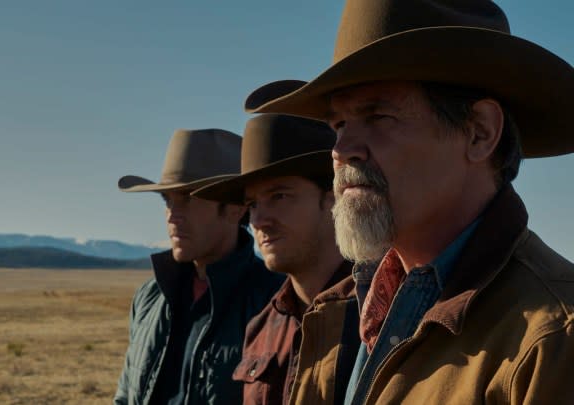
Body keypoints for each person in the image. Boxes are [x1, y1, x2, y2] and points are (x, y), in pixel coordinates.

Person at [245, 0, 574, 403]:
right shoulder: (340, 312)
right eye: (339, 124)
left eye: (379, 116)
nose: (342, 148)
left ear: (479, 133)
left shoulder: (554, 338)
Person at [193, 113, 358, 405]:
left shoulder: (380, 316)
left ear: (334, 197)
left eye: (279, 196)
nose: (258, 220)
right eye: (252, 204)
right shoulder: (262, 328)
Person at [113, 128, 284, 405]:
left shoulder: (274, 303)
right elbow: (125, 395)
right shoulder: (149, 297)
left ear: (234, 209)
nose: (172, 215)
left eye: (188, 199)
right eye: (167, 200)